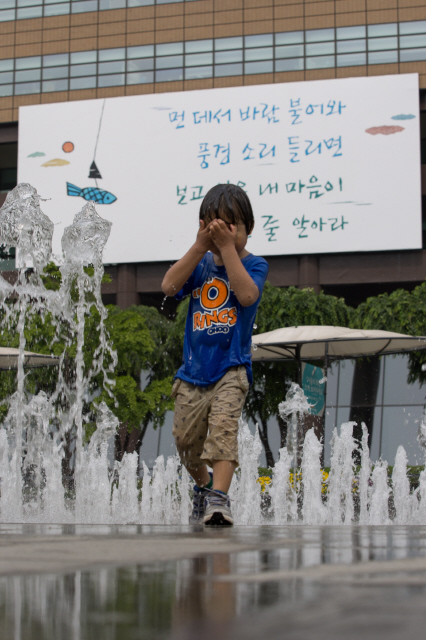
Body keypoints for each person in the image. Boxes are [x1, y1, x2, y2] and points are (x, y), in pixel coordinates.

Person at [161, 184, 269, 525]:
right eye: (213, 225)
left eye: (229, 225)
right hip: (193, 372)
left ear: (247, 228)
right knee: (185, 443)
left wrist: (227, 248)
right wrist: (199, 246)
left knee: (223, 433)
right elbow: (168, 287)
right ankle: (205, 486)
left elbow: (248, 295)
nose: (221, 231)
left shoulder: (255, 265)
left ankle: (219, 499)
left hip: (230, 369)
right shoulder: (200, 264)